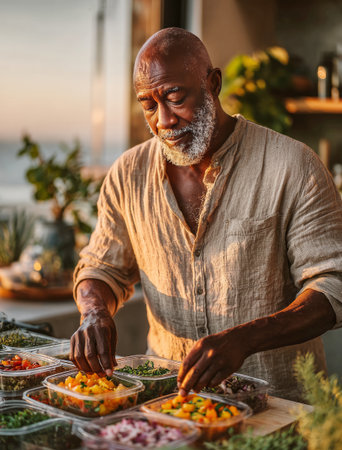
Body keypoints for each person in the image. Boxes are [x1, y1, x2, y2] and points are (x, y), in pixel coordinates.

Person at [71, 27, 342, 401]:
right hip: (168, 405)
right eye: (148, 104)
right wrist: (94, 312)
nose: (163, 119)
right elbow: (103, 268)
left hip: (278, 407)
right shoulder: (127, 174)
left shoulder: (293, 166)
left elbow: (333, 287)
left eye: (174, 96)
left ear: (212, 83)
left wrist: (245, 339)